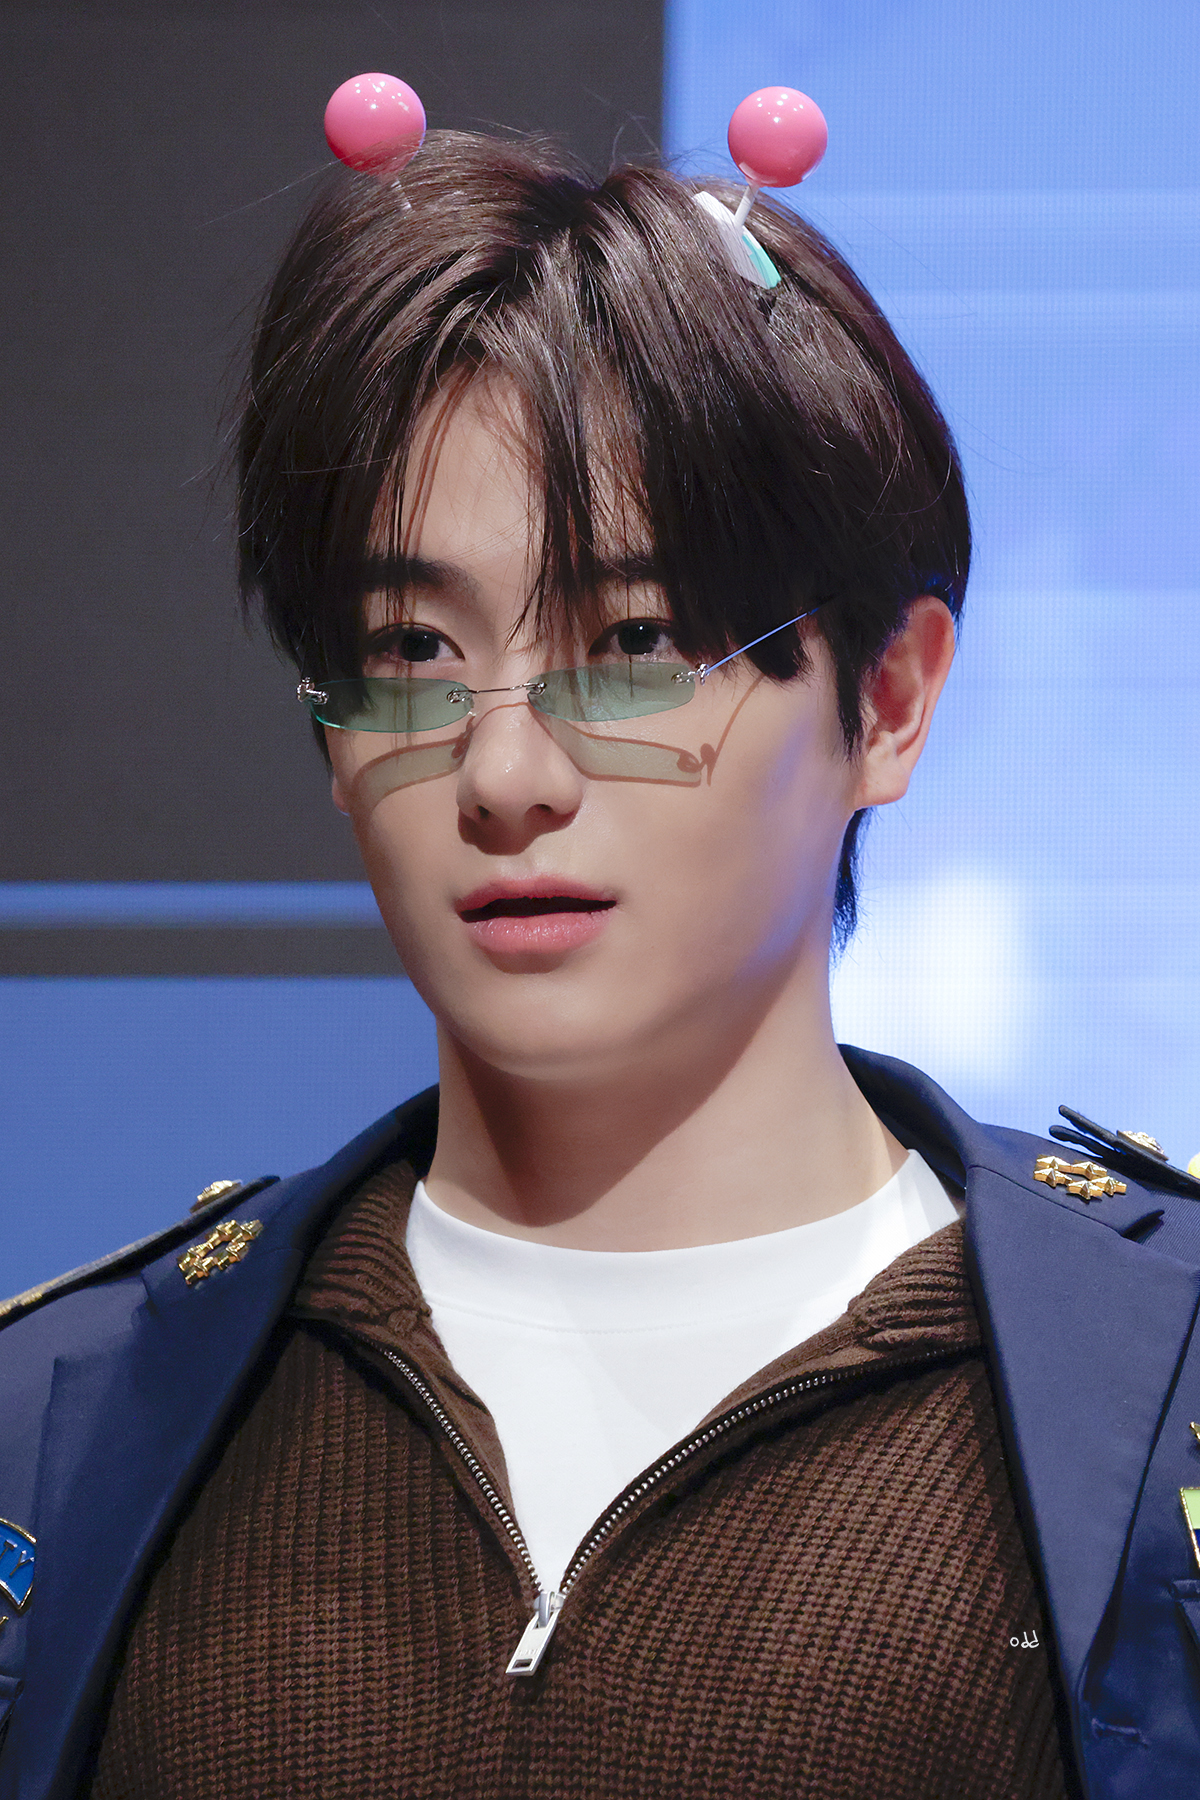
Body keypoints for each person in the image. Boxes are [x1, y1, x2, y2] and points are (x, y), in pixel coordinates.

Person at [3, 119, 1200, 1800]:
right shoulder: (75, 1415)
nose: (503, 774)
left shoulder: (1159, 1388)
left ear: (888, 701)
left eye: (632, 643)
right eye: (412, 653)